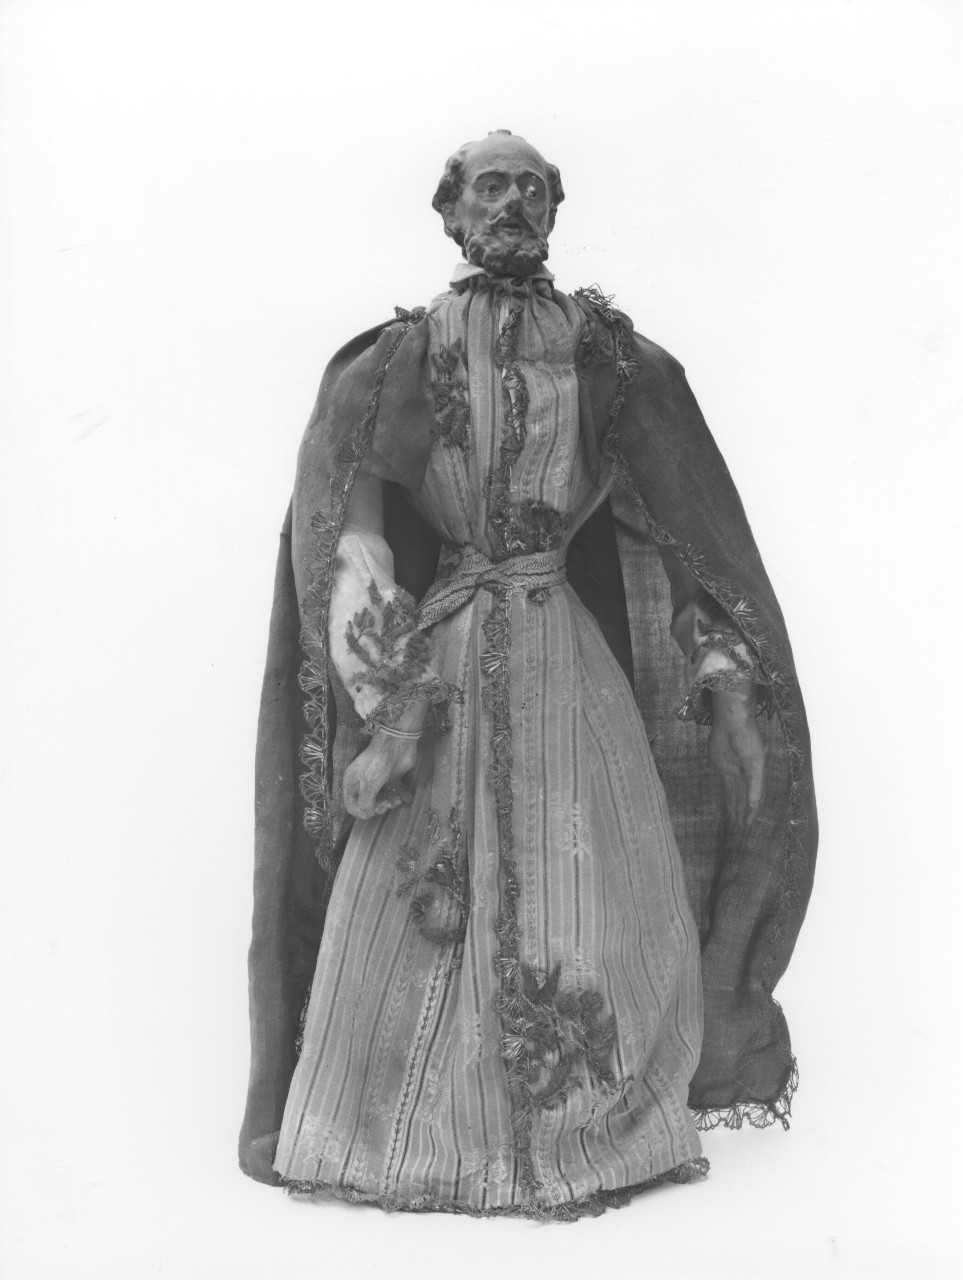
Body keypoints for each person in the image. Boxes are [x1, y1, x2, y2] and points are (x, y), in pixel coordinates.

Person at [238, 132, 817, 1220]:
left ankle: (593, 1128)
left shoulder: (611, 358)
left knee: (595, 880)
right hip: (446, 655)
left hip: (565, 651)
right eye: (489, 185)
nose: (511, 203)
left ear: (555, 208)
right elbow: (350, 540)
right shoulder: (395, 360)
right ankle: (400, 1129)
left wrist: (727, 667)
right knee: (416, 892)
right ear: (450, 211)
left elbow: (687, 538)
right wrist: (392, 707)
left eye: (531, 187)